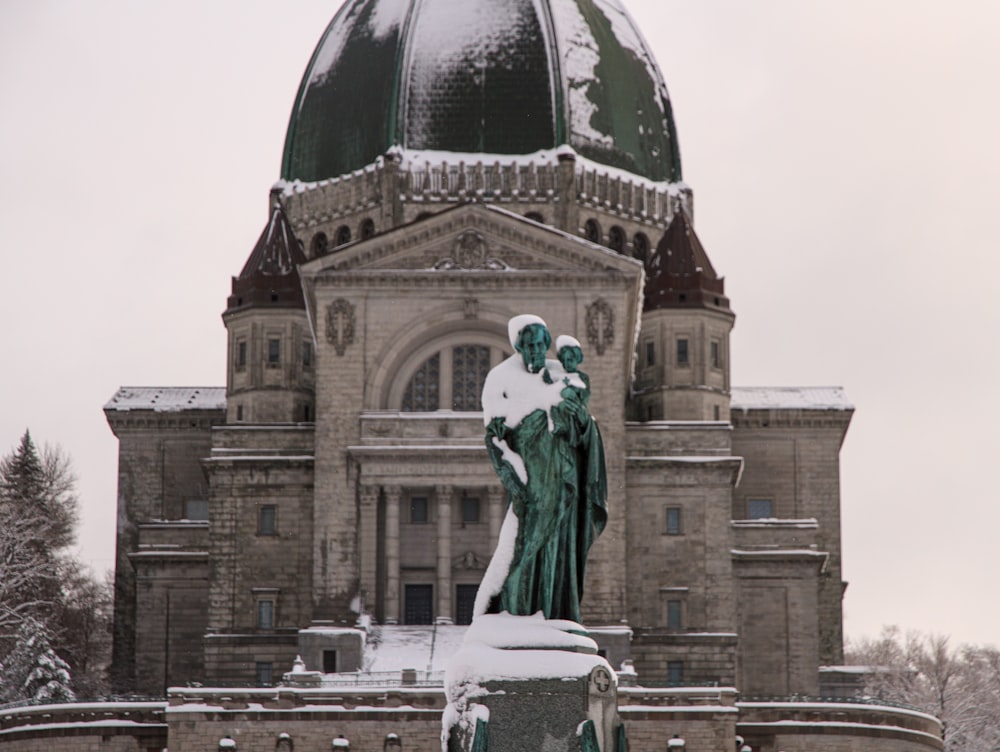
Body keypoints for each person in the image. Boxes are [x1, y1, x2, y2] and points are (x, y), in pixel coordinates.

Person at [478, 315, 607, 623]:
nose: (535, 350)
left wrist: (582, 421)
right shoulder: (501, 378)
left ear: (548, 345)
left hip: (563, 475)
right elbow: (495, 436)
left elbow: (582, 430)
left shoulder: (562, 377)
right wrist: (513, 480)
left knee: (559, 547)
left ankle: (552, 610)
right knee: (525, 545)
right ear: (519, 347)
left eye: (540, 344)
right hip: (531, 479)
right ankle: (518, 608)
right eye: (529, 345)